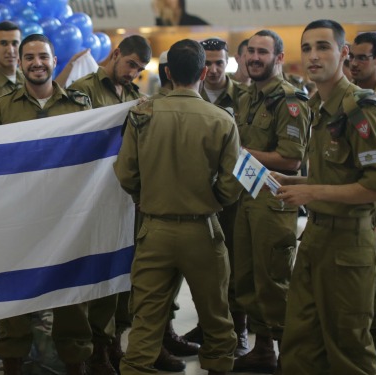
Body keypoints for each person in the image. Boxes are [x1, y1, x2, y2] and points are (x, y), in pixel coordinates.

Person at [114, 38, 241, 375]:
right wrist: (212, 201)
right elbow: (232, 183)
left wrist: (144, 194)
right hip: (203, 230)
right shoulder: (221, 120)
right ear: (203, 71)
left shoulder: (141, 113)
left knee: (145, 320)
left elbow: (125, 172)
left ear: (167, 72)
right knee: (216, 319)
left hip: (154, 229)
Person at [276, 19, 376, 375]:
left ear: (343, 53)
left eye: (323, 47)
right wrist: (294, 180)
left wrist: (312, 191)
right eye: (307, 48)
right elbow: (337, 176)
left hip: (348, 243)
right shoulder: (318, 108)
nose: (313, 56)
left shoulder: (360, 108)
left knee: (349, 352)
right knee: (299, 348)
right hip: (315, 239)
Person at [0, 33, 93, 375]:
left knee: (71, 295)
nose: (36, 63)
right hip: (17, 218)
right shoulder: (3, 107)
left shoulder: (79, 106)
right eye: (29, 57)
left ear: (54, 61)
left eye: (43, 57)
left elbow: (93, 158)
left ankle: (75, 362)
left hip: (67, 216)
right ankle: (12, 363)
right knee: (14, 293)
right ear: (21, 62)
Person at [68, 34, 163, 374]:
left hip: (128, 196)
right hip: (94, 195)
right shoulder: (83, 89)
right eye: (131, 65)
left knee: (125, 270)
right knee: (97, 270)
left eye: (139, 69)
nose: (134, 73)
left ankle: (114, 340)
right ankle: (93, 347)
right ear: (116, 53)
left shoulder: (136, 96)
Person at [230, 29, 310, 374]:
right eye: (250, 52)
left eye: (263, 52)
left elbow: (291, 159)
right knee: (247, 280)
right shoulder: (248, 97)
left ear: (278, 58)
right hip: (247, 200)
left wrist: (242, 153)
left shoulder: (291, 100)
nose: (254, 58)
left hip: (275, 203)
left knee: (274, 282)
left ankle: (288, 356)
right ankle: (263, 349)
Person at [183, 37, 249, 358]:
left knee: (234, 263)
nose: (213, 69)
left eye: (219, 63)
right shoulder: (186, 93)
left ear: (228, 63)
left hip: (231, 195)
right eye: (207, 63)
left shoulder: (244, 97)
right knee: (202, 266)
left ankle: (239, 328)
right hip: (195, 196)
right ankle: (207, 324)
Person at [350, 31, 376, 363]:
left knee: (375, 312)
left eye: (362, 58)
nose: (354, 64)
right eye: (351, 57)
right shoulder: (350, 102)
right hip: (356, 218)